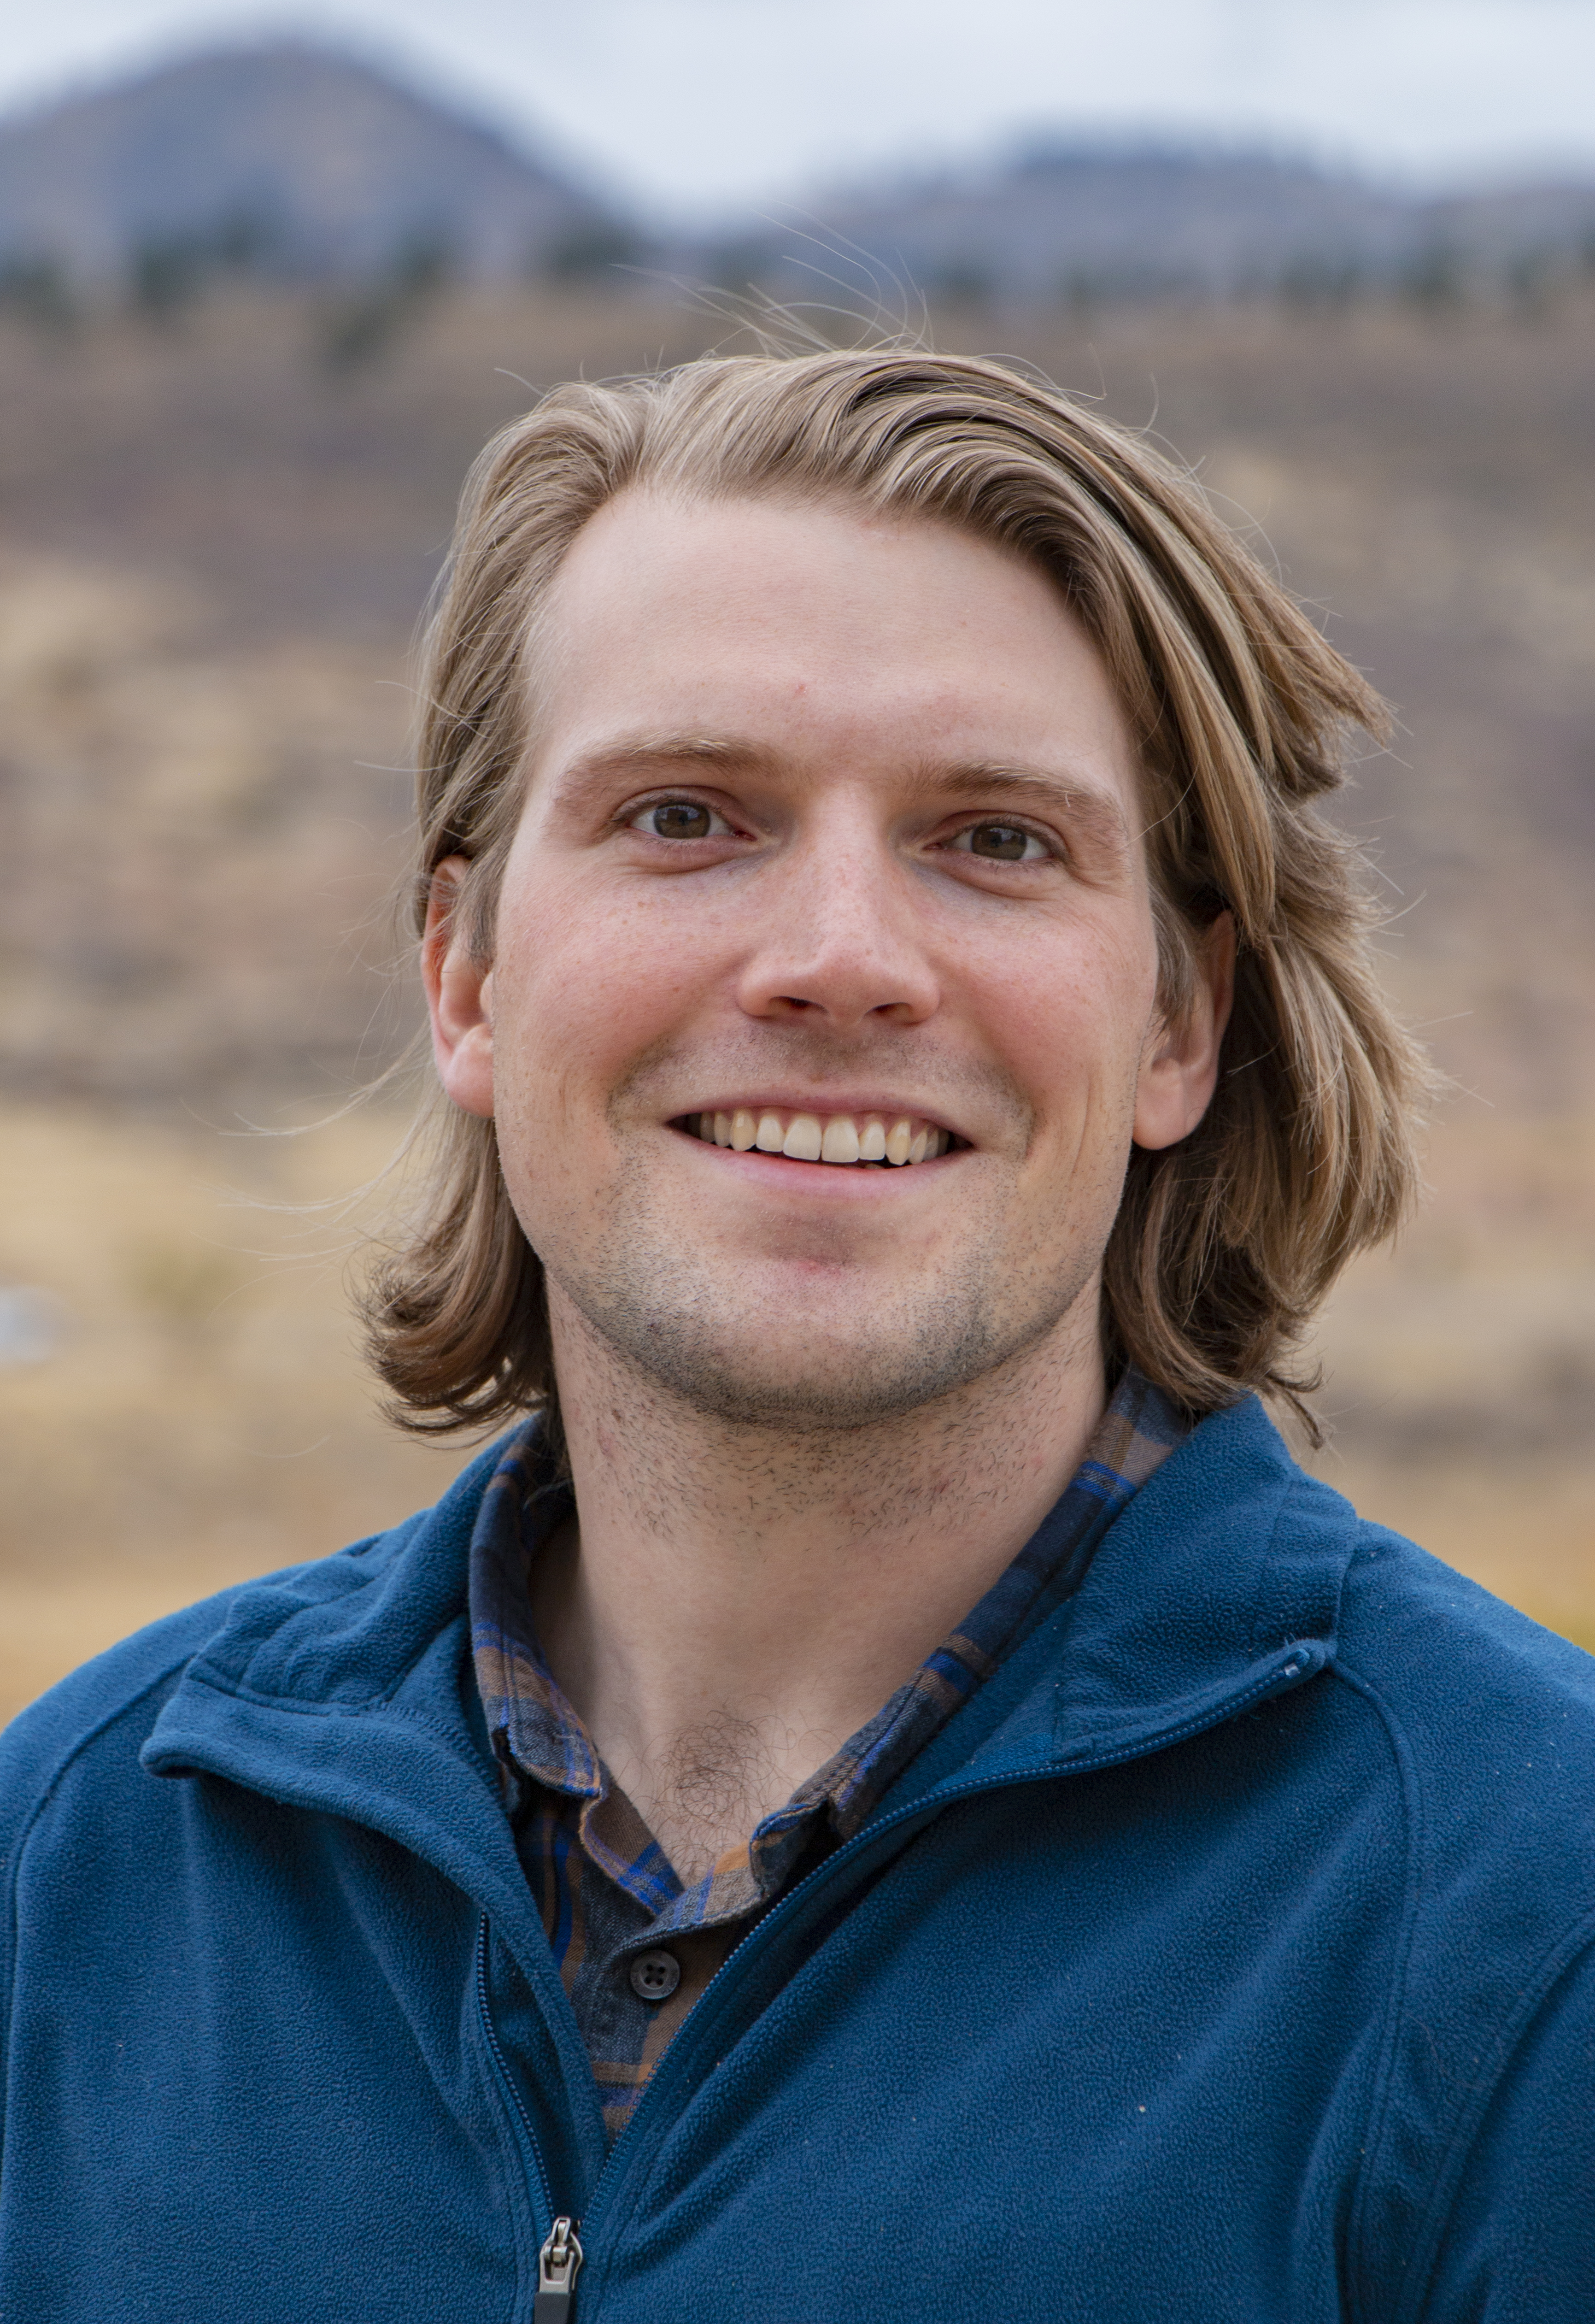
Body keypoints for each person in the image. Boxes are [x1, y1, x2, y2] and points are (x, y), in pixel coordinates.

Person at [3, 349, 1593, 2323]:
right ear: (465, 974)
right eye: (685, 816)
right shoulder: (77, 1862)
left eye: (993, 838)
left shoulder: (1530, 1925)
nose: (835, 957)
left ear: (1178, 1024)